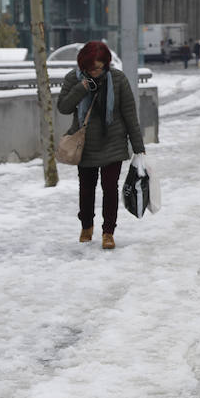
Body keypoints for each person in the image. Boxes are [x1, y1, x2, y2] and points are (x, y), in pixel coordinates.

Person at [57, 41, 145, 250]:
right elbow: (63, 107)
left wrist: (138, 147)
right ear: (83, 65)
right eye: (91, 68)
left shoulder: (117, 79)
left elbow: (129, 114)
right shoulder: (74, 79)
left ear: (106, 64)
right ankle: (86, 225)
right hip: (85, 144)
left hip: (112, 141)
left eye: (100, 67)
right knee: (86, 189)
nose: (96, 72)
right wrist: (81, 88)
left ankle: (108, 232)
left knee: (110, 188)